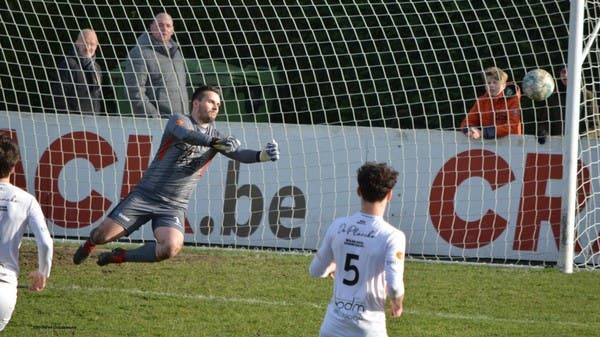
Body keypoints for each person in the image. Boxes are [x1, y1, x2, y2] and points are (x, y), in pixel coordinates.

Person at [72, 85, 280, 266]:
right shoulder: (179, 120)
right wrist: (214, 143)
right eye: (211, 101)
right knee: (101, 235)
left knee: (170, 247)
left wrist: (263, 155)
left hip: (173, 206)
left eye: (218, 104)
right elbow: (187, 135)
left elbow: (240, 154)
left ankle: (119, 257)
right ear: (196, 103)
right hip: (144, 196)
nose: (216, 106)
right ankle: (90, 244)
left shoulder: (217, 137)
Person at [309, 162, 406, 337]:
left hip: (332, 327)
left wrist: (332, 266)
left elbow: (315, 271)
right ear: (390, 195)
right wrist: (397, 303)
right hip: (368, 328)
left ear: (359, 191)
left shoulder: (338, 226)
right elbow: (394, 286)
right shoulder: (393, 236)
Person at [0, 135, 53, 332]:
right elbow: (46, 243)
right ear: (14, 168)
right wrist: (43, 272)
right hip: (4, 286)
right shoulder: (26, 200)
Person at [124, 12, 187, 118]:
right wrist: (154, 116)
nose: (164, 29)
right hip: (156, 123)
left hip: (180, 120)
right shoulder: (139, 52)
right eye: (160, 25)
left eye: (168, 26)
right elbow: (134, 90)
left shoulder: (177, 54)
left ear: (172, 30)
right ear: (152, 27)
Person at [536, 66, 599, 144]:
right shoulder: (553, 96)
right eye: (563, 72)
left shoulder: (588, 96)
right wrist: (543, 132)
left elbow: (596, 127)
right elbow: (545, 122)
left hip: (581, 147)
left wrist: (583, 137)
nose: (566, 75)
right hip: (557, 146)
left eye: (569, 71)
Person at [51, 28, 104, 114]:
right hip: (73, 122)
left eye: (92, 44)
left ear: (96, 46)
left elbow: (97, 97)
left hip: (93, 121)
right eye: (85, 43)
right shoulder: (68, 65)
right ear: (77, 43)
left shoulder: (97, 68)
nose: (88, 47)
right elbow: (59, 96)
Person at [460, 66, 522, 139]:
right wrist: (470, 130)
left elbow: (513, 126)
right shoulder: (481, 101)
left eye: (495, 82)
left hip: (511, 143)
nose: (491, 85)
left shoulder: (513, 100)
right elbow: (466, 122)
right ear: (485, 86)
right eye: (488, 83)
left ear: (504, 85)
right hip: (489, 144)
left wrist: (484, 133)